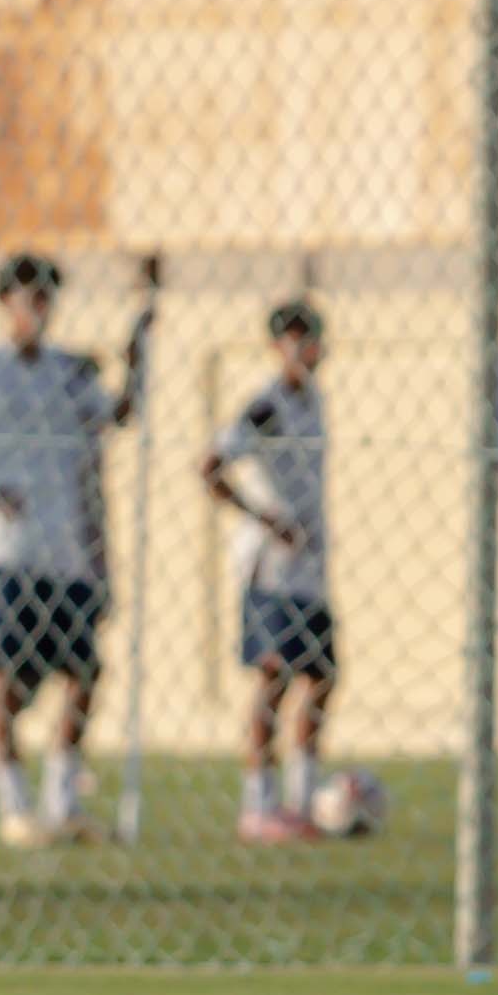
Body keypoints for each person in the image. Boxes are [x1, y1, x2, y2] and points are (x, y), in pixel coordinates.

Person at [0, 250, 156, 849]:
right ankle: (14, 808)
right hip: (8, 551)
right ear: (6, 305)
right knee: (8, 683)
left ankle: (60, 803)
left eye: (47, 299)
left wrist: (140, 334)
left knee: (84, 675)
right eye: (28, 298)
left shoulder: (70, 372)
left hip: (64, 549)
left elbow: (121, 412)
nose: (39, 310)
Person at [199, 296, 335, 845]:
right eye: (293, 340)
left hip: (312, 567)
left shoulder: (315, 402)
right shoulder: (266, 406)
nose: (304, 350)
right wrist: (265, 519)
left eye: (311, 339)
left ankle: (303, 800)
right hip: (271, 568)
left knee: (323, 677)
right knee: (274, 678)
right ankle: (258, 803)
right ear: (276, 348)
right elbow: (210, 466)